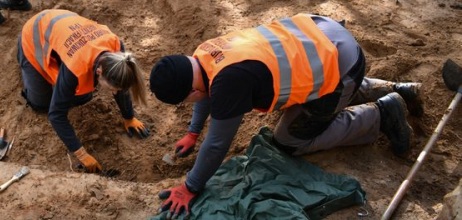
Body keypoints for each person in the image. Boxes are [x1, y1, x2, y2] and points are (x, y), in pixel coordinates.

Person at [149, 14, 420, 218]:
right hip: (323, 34)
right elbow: (204, 94)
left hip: (341, 65)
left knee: (289, 140)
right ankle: (394, 88)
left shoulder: (229, 82)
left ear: (190, 90)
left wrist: (191, 186)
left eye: (186, 99)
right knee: (325, 87)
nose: (192, 102)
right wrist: (193, 132)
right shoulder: (205, 53)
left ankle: (382, 114)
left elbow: (218, 144)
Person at [18, 9, 150, 172]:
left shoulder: (118, 54)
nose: (115, 93)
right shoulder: (76, 68)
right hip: (35, 35)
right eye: (113, 89)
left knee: (82, 97)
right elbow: (56, 115)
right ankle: (26, 67)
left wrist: (129, 117)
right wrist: (81, 154)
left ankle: (57, 65)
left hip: (64, 25)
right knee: (41, 105)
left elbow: (120, 86)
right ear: (100, 72)